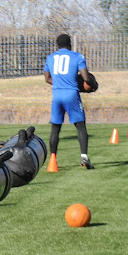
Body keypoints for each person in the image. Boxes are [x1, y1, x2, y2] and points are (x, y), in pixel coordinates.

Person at [43, 33, 94, 169]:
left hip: (57, 94)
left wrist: (60, 83)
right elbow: (86, 78)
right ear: (70, 44)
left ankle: (53, 160)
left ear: (57, 45)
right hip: (71, 94)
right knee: (80, 126)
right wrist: (92, 85)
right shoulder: (77, 56)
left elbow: (47, 78)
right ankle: (84, 157)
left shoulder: (51, 58)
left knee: (55, 128)